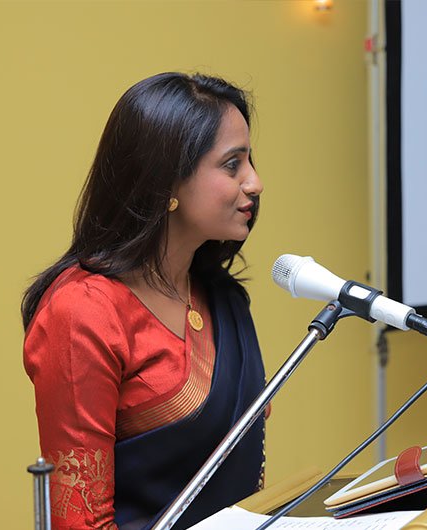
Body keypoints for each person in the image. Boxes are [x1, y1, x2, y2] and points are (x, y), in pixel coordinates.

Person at [22, 72, 266, 530]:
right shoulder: (84, 312)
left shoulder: (222, 298)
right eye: (232, 165)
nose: (255, 182)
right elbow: (81, 521)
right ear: (168, 181)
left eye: (250, 160)